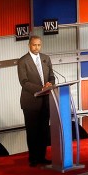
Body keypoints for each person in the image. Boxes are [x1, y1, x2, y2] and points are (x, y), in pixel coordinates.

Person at [16, 35, 55, 166]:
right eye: (34, 45)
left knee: (44, 130)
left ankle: (42, 157)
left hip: (46, 101)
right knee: (33, 131)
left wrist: (50, 84)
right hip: (30, 102)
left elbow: (51, 76)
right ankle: (33, 158)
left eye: (38, 45)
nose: (36, 47)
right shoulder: (23, 61)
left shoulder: (46, 58)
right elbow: (24, 82)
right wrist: (41, 88)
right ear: (29, 45)